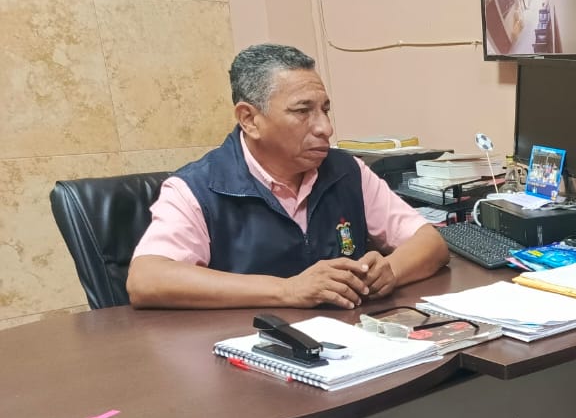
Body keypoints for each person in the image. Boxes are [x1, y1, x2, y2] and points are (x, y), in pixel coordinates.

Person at [127, 43, 449, 309]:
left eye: (325, 109)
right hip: (248, 352)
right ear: (249, 119)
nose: (325, 128)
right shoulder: (197, 188)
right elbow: (146, 279)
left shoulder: (346, 171)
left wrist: (390, 270)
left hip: (346, 345)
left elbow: (429, 242)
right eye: (302, 111)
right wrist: (287, 290)